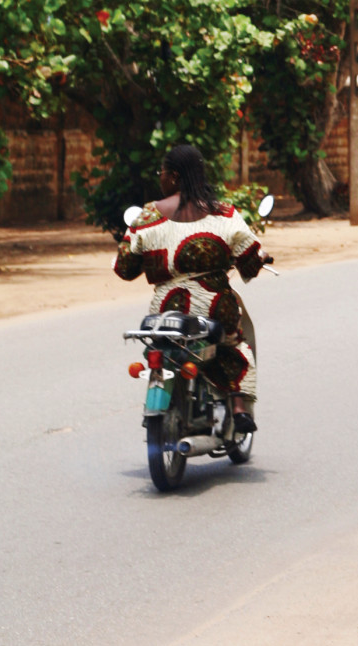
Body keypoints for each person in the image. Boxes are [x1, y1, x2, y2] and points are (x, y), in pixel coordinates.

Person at [114, 144, 268, 432]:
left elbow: (125, 269)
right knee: (234, 342)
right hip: (212, 309)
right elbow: (249, 260)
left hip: (163, 311)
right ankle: (237, 404)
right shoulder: (224, 214)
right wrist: (258, 260)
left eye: (162, 173)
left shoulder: (148, 216)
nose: (160, 178)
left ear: (172, 176)